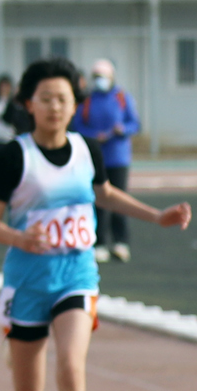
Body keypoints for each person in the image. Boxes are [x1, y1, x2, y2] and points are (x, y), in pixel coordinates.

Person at [0, 58, 193, 391]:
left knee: (72, 369)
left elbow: (105, 194)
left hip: (77, 275)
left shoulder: (86, 150)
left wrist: (156, 216)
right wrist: (20, 238)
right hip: (28, 281)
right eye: (46, 99)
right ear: (29, 104)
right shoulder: (13, 157)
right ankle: (16, 345)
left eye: (63, 99)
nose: (55, 107)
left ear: (75, 105)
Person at [69, 59, 143, 260]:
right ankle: (99, 243)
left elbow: (135, 124)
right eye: (96, 76)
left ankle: (121, 242)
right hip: (95, 157)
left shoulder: (122, 97)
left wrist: (122, 129)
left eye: (102, 76)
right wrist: (94, 135)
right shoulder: (87, 100)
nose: (99, 80)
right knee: (97, 201)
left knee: (119, 199)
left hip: (118, 158)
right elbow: (77, 126)